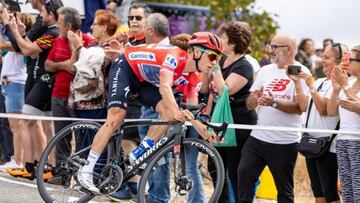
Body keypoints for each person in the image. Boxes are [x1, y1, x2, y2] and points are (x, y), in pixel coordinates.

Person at [76, 31, 222, 193]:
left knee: (169, 115)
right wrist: (177, 111)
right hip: (126, 67)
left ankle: (138, 154)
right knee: (116, 117)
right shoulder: (175, 55)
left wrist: (204, 130)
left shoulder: (195, 77)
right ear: (195, 52)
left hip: (142, 80)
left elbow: (190, 111)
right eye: (211, 56)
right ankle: (87, 170)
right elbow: (164, 87)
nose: (214, 63)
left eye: (217, 59)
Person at [238, 34, 310, 203]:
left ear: (289, 49)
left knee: (283, 190)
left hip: (284, 140)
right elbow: (249, 105)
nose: (271, 50)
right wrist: (255, 97)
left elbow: (301, 108)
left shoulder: (301, 72)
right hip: (258, 136)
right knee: (244, 176)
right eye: (271, 46)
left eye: (275, 47)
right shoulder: (265, 70)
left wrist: (274, 103)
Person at [3, 0, 63, 179]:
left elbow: (28, 49)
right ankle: (44, 165)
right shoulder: (47, 30)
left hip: (44, 81)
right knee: (42, 124)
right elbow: (25, 47)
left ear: (51, 15)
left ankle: (33, 166)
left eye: (43, 13)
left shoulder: (52, 32)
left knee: (27, 123)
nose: (40, 16)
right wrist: (20, 33)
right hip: (36, 78)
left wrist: (11, 28)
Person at [201, 21, 257, 202]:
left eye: (223, 37)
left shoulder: (244, 66)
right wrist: (207, 114)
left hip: (237, 122)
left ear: (233, 43)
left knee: (234, 169)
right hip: (219, 120)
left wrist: (215, 68)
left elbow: (224, 90)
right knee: (213, 165)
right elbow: (209, 90)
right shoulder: (223, 60)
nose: (220, 40)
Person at [303, 44, 343, 203]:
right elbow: (306, 108)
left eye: (327, 58)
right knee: (318, 195)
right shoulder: (319, 81)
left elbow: (324, 109)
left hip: (328, 146)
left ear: (339, 61)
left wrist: (311, 87)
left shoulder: (339, 86)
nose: (322, 61)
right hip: (311, 142)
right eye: (322, 57)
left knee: (330, 194)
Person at [327, 45, 360, 203]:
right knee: (347, 193)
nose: (347, 63)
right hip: (343, 140)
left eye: (351, 59)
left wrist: (345, 86)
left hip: (358, 141)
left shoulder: (348, 84)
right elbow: (332, 111)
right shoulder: (349, 82)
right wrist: (335, 89)